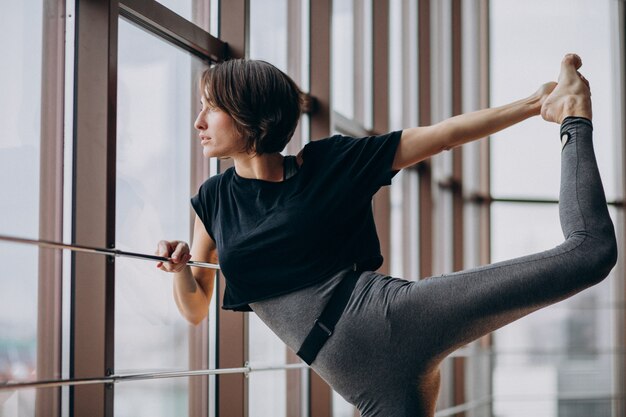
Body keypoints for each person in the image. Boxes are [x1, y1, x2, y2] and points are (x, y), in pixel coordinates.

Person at [156, 54, 617, 417]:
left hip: (396, 320)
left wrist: (535, 104)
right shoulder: (213, 199)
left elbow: (441, 137)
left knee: (590, 253)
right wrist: (179, 271)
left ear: (248, 114)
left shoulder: (328, 164)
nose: (198, 122)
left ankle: (573, 118)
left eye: (210, 108)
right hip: (367, 380)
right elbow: (197, 308)